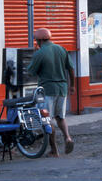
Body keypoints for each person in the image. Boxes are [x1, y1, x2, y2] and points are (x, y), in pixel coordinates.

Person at [28, 28, 75, 157]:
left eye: (37, 40)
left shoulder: (40, 53)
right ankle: (68, 138)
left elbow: (31, 72)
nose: (36, 42)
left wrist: (34, 55)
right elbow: (71, 69)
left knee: (47, 120)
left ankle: (54, 150)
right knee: (60, 117)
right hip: (62, 88)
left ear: (40, 40)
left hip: (47, 90)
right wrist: (72, 86)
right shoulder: (61, 49)